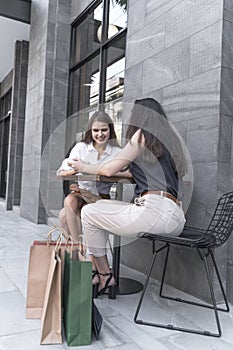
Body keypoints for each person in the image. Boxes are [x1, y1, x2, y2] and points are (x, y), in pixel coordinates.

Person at [69, 98, 187, 299]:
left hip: (154, 213)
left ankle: (104, 274)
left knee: (88, 212)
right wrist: (125, 173)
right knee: (102, 205)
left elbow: (107, 170)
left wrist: (82, 167)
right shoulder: (168, 139)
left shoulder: (141, 136)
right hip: (175, 217)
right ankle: (99, 272)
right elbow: (144, 174)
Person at [57, 111, 122, 294]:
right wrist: (73, 170)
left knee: (63, 216)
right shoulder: (81, 147)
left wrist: (88, 169)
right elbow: (63, 169)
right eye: (95, 130)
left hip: (101, 199)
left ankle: (89, 264)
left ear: (110, 130)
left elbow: (120, 172)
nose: (100, 134)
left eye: (104, 130)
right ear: (90, 131)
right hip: (81, 196)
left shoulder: (116, 152)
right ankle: (81, 252)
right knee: (69, 201)